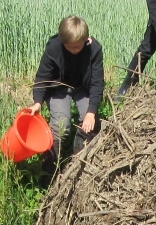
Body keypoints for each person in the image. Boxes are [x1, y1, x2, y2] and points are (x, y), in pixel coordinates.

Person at [30, 15, 104, 159]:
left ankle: (79, 161)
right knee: (61, 127)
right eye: (68, 46)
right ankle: (50, 171)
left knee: (89, 123)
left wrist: (91, 111)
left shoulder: (94, 49)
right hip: (59, 88)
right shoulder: (54, 47)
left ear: (86, 39)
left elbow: (97, 83)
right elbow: (42, 77)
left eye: (77, 46)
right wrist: (37, 102)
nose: (73, 50)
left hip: (83, 87)